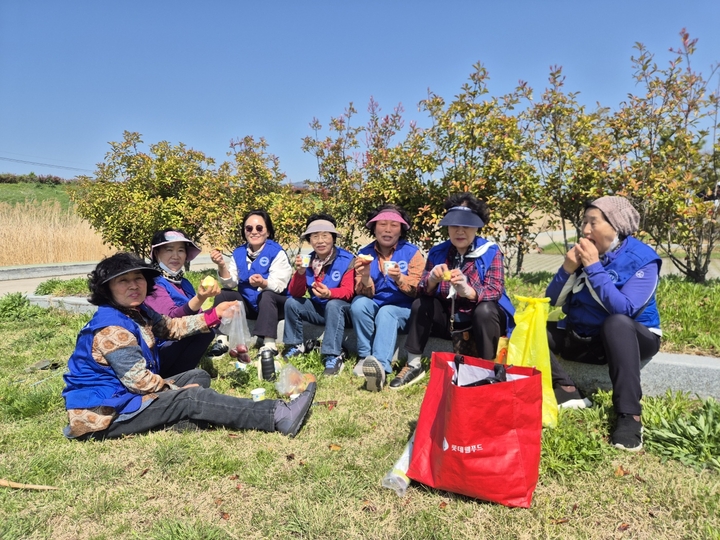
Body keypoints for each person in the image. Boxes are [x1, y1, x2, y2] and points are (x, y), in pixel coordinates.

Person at [61, 253, 315, 440]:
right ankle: (278, 415)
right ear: (107, 290)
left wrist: (214, 314)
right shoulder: (113, 329)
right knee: (191, 395)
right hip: (106, 414)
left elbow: (172, 327)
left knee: (198, 376)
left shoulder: (137, 312)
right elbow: (140, 383)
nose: (133, 285)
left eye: (138, 278)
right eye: (123, 281)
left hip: (123, 396)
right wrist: (177, 390)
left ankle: (180, 419)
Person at [546, 196, 661, 451]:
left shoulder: (644, 259)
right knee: (530, 329)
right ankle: (566, 388)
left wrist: (594, 267)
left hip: (631, 337)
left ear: (616, 226)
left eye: (593, 222)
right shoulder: (584, 253)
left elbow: (625, 310)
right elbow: (552, 300)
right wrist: (567, 268)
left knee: (616, 323)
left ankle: (629, 416)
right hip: (584, 335)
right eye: (584, 222)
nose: (586, 230)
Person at [402, 193, 516, 389]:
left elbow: (495, 290)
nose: (460, 231)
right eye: (454, 225)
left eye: (467, 226)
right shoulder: (438, 252)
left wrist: (468, 290)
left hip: (481, 324)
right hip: (451, 321)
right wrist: (431, 280)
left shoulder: (490, 251)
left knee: (486, 309)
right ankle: (413, 364)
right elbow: (422, 289)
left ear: (477, 227)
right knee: (421, 303)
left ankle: (488, 369)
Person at [350, 204, 425, 391]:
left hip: (404, 310)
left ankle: (380, 368)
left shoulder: (412, 252)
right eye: (382, 224)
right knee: (359, 304)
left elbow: (420, 290)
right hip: (376, 305)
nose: (388, 229)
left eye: (394, 225)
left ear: (401, 230)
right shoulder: (365, 253)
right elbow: (362, 292)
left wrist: (400, 278)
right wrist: (365, 277)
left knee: (387, 311)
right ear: (374, 228)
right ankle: (365, 357)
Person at [210, 209, 292, 357]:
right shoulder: (238, 253)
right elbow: (230, 283)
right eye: (249, 228)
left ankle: (269, 344)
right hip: (249, 304)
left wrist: (263, 283)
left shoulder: (277, 252)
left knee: (267, 295)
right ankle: (221, 340)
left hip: (275, 305)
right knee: (223, 294)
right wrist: (222, 265)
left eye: (259, 228)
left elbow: (280, 285)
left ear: (268, 232)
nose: (254, 232)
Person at [282, 214, 355, 376]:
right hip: (320, 310)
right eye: (315, 236)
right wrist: (300, 273)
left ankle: (333, 355)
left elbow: (349, 291)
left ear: (333, 238)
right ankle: (295, 345)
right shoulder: (308, 261)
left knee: (333, 304)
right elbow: (295, 293)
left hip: (343, 312)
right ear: (309, 240)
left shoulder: (347, 260)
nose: (320, 241)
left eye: (325, 236)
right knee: (292, 303)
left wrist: (330, 293)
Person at [144, 229, 220, 377]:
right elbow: (171, 320)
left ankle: (183, 374)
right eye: (169, 250)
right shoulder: (153, 284)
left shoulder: (184, 283)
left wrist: (219, 314)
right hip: (159, 350)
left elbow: (198, 316)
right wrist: (200, 298)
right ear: (157, 253)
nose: (176, 256)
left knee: (207, 328)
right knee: (200, 332)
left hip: (177, 344)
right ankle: (174, 376)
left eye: (180, 250)